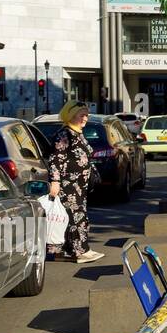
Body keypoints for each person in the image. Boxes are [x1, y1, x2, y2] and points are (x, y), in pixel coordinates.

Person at [46, 102, 104, 264]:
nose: (85, 118)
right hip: (68, 185)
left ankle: (73, 249)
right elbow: (55, 159)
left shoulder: (77, 133)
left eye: (86, 115)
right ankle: (80, 251)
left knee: (77, 216)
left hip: (79, 185)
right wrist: (55, 182)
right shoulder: (64, 134)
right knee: (75, 217)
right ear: (71, 115)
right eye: (81, 115)